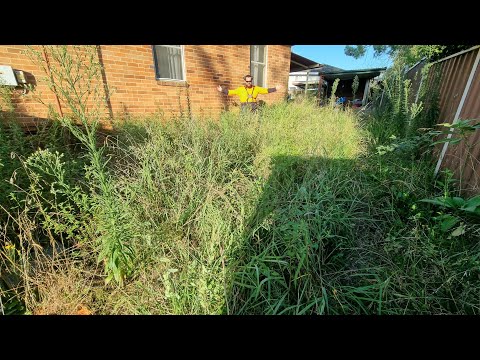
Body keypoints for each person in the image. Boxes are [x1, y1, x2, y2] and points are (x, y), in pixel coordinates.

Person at [217, 74, 283, 113]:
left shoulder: (256, 88)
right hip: (244, 107)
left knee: (254, 122)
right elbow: (231, 92)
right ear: (245, 81)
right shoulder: (240, 89)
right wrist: (222, 90)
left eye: (250, 81)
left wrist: (275, 88)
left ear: (251, 81)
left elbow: (266, 90)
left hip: (254, 106)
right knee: (244, 122)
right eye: (247, 81)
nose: (249, 82)